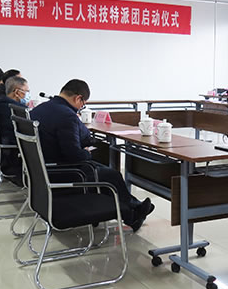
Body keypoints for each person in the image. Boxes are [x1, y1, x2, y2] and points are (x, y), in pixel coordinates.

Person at [29, 79, 154, 231]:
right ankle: (133, 213)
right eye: (83, 104)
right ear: (78, 98)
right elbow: (74, 155)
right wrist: (86, 153)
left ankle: (133, 210)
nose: (81, 107)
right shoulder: (67, 116)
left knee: (101, 171)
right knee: (111, 175)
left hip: (40, 170)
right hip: (60, 171)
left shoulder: (39, 109)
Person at [0, 76, 30, 180]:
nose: (28, 95)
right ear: (17, 92)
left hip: (1, 153)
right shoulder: (17, 110)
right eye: (27, 91)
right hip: (12, 154)